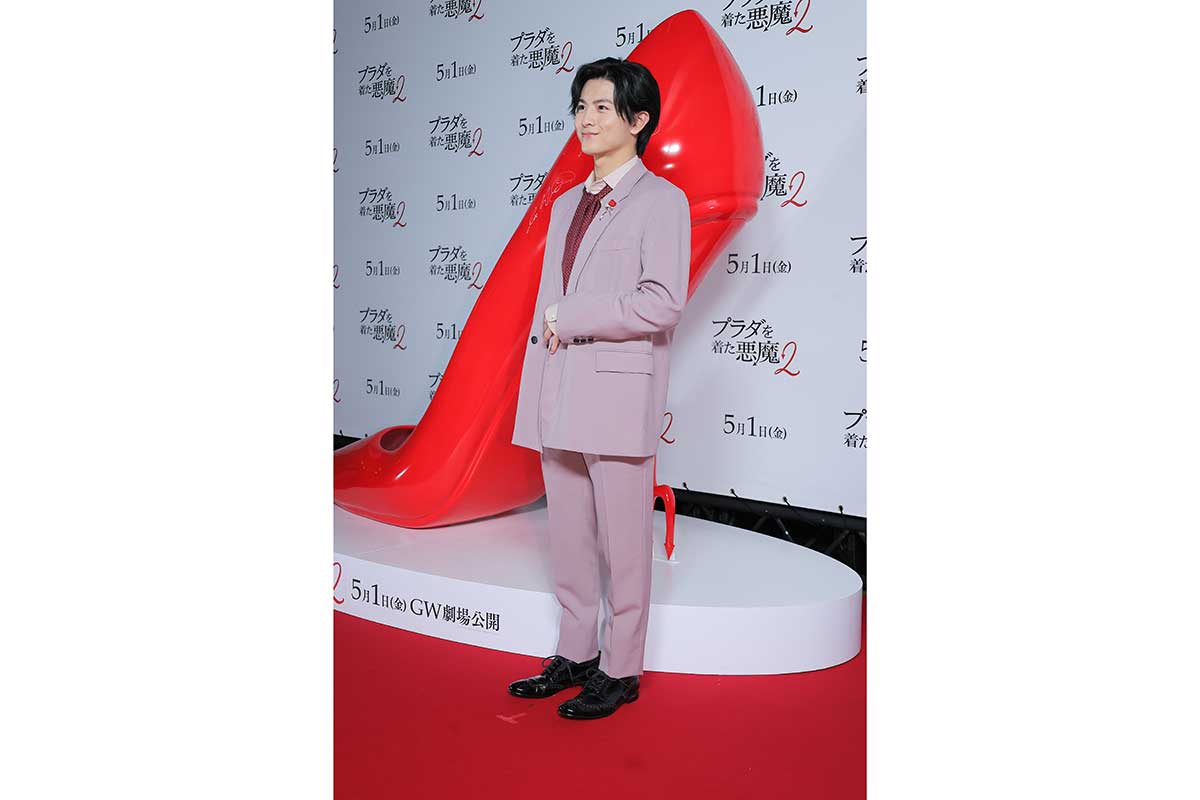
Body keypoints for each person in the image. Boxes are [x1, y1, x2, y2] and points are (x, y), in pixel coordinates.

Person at [508, 57, 691, 720]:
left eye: (602, 107)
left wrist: (574, 315)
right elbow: (550, 305)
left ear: (638, 120)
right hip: (559, 391)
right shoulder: (565, 205)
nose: (586, 119)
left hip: (615, 397)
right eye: (581, 106)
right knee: (568, 536)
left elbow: (662, 302)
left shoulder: (662, 201)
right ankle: (577, 652)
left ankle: (620, 669)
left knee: (624, 545)